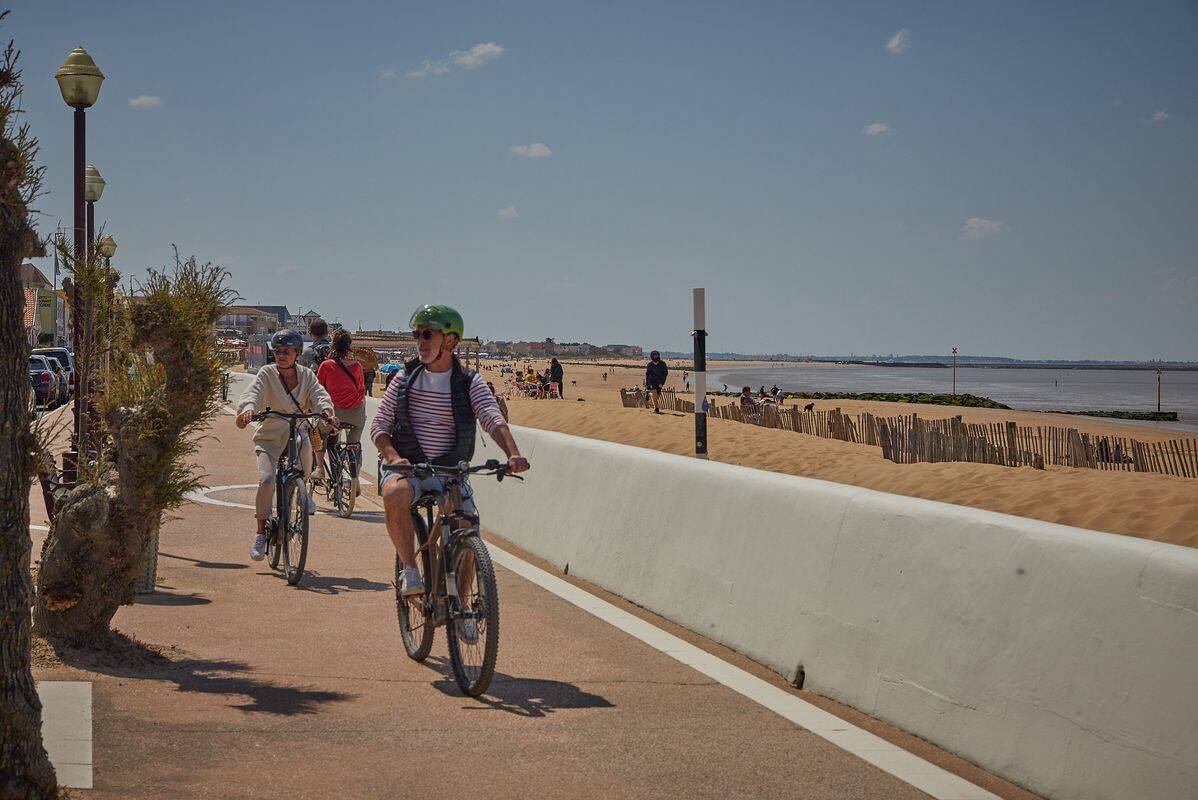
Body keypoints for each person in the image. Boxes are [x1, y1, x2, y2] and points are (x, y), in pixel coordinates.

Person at [372, 305, 529, 604]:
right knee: (394, 495)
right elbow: (379, 425)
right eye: (417, 334)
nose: (420, 340)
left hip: (449, 472)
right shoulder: (404, 378)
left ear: (450, 340)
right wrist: (392, 457)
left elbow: (491, 418)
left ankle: (461, 603)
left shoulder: (469, 381)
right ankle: (409, 568)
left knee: (466, 526)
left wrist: (513, 454)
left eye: (427, 334)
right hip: (409, 469)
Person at [236, 329, 337, 561]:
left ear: (297, 353)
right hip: (269, 438)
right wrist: (249, 409)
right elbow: (252, 393)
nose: (281, 355)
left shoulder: (306, 375)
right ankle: (260, 532)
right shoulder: (266, 373)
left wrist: (328, 412)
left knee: (303, 443)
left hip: (295, 431)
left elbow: (320, 395)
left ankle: (302, 488)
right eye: (278, 351)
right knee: (267, 479)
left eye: (287, 351)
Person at [316, 329, 367, 494]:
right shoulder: (357, 366)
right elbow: (361, 390)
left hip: (335, 414)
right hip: (356, 413)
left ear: (333, 345)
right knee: (354, 445)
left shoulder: (326, 365)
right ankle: (355, 478)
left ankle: (320, 469)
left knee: (318, 433)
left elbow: (319, 390)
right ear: (349, 346)